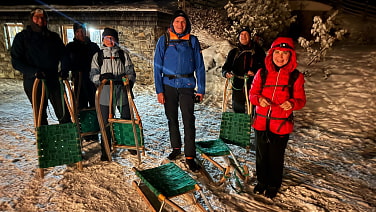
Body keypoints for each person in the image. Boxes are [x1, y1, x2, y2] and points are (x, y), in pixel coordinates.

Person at [249, 37, 306, 199]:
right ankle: (261, 182)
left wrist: (292, 103)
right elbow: (252, 94)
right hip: (260, 123)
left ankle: (273, 184)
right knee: (261, 155)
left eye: (284, 53)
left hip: (280, 126)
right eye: (277, 52)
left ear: (291, 56)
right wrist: (258, 99)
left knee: (275, 157)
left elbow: (301, 100)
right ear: (271, 54)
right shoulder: (262, 73)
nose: (280, 57)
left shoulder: (296, 77)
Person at [153, 10, 205, 172]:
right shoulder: (165, 40)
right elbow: (157, 67)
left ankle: (190, 155)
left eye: (183, 22)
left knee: (188, 120)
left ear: (187, 24)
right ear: (172, 23)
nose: (180, 25)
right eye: (177, 21)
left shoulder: (193, 41)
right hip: (168, 84)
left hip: (187, 85)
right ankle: (176, 148)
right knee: (172, 118)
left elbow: (200, 66)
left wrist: (201, 89)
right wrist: (159, 90)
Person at [11, 8, 71, 125]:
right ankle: (44, 139)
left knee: (63, 111)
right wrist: (33, 71)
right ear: (31, 19)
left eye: (43, 18)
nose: (40, 20)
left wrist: (64, 70)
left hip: (53, 79)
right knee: (40, 114)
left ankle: (67, 137)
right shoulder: (22, 38)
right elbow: (16, 61)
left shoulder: (53, 38)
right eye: (37, 17)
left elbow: (64, 55)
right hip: (34, 81)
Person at [90, 28, 137, 161]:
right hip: (105, 91)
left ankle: (129, 143)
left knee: (126, 117)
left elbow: (131, 72)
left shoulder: (123, 54)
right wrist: (101, 77)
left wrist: (127, 79)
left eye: (112, 38)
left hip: (121, 89)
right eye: (107, 38)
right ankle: (106, 147)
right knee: (105, 121)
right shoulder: (98, 56)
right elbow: (92, 75)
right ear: (103, 39)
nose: (110, 41)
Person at [66, 22, 100, 141]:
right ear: (75, 33)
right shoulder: (70, 47)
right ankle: (84, 131)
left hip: (91, 80)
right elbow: (66, 62)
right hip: (79, 80)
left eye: (83, 31)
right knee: (80, 106)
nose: (81, 33)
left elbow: (100, 61)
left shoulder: (93, 46)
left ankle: (94, 131)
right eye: (78, 31)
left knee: (95, 105)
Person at [222, 27, 266, 113]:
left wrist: (254, 72)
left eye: (246, 34)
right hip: (237, 86)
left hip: (254, 86)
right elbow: (225, 67)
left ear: (250, 36)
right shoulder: (234, 52)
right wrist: (226, 73)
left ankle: (253, 125)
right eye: (241, 34)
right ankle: (239, 126)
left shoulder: (258, 51)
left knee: (255, 111)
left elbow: (264, 67)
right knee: (238, 111)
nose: (243, 36)